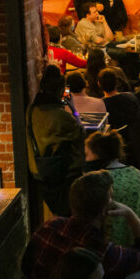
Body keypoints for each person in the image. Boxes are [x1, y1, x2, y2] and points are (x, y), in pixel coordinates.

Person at [22, 171, 140, 279]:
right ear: (104, 210)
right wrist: (130, 214)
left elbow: (26, 267)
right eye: (111, 197)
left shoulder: (49, 226)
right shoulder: (102, 251)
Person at [27, 66, 84, 217]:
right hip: (63, 174)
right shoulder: (61, 116)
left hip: (39, 170)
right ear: (59, 90)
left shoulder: (32, 110)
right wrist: (73, 108)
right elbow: (81, 131)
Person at [84, 130, 140, 247]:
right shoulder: (137, 174)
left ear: (97, 155)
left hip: (112, 248)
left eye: (87, 155)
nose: (86, 159)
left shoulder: (100, 181)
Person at [98, 69, 140, 183]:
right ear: (116, 83)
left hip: (114, 151)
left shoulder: (101, 105)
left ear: (99, 84)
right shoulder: (132, 98)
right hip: (138, 148)